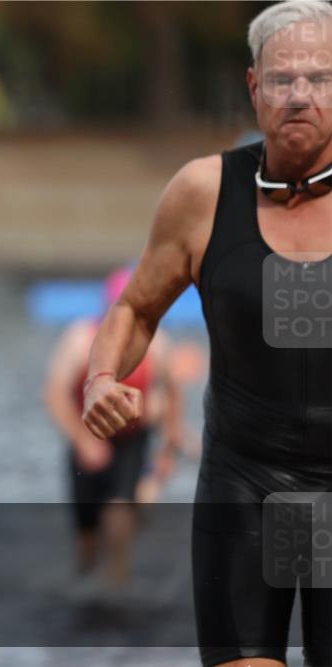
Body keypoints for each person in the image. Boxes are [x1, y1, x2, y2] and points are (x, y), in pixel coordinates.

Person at [82, 2, 332, 665]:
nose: (300, 95)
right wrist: (100, 377)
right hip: (244, 479)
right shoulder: (202, 192)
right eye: (282, 79)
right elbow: (135, 308)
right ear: (255, 88)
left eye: (321, 77)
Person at [45, 267, 185, 585]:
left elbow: (174, 394)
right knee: (86, 532)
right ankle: (87, 565)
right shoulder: (80, 338)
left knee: (121, 506)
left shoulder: (158, 343)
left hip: (133, 437)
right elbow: (54, 394)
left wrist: (169, 447)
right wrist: (83, 441)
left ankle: (117, 580)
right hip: (89, 434)